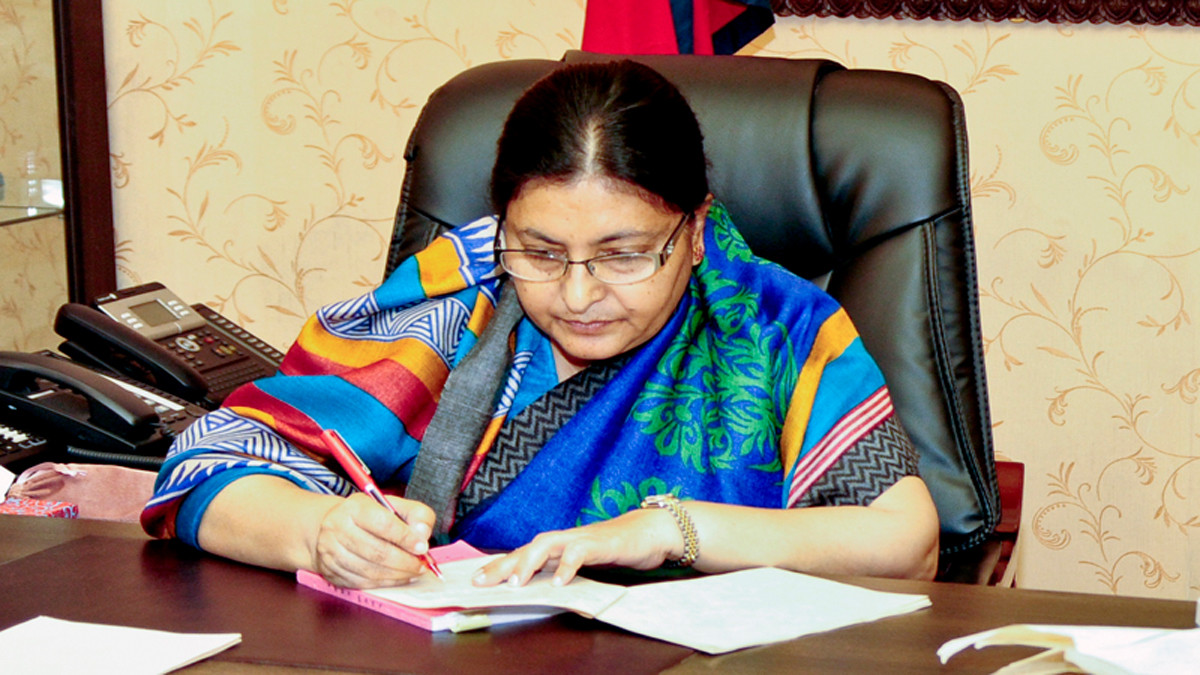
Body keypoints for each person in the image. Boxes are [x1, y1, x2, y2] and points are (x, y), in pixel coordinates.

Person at [142, 60, 939, 590]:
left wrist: (662, 531)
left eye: (624, 254)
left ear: (694, 232)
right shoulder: (465, 292)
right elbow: (208, 463)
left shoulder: (773, 324)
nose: (579, 292)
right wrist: (320, 530)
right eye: (542, 250)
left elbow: (907, 540)